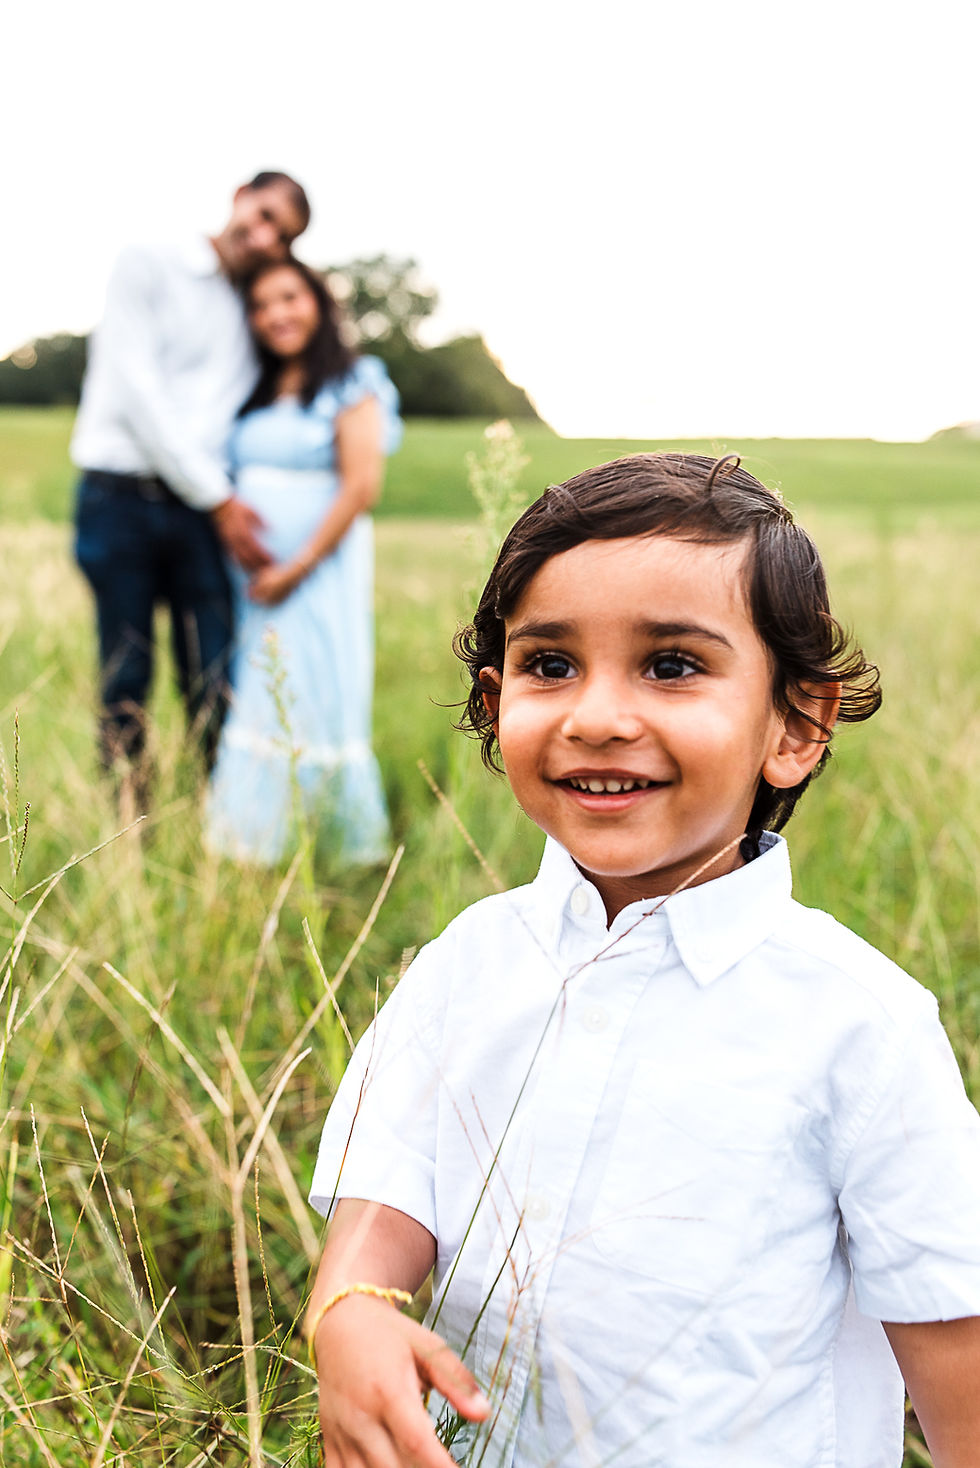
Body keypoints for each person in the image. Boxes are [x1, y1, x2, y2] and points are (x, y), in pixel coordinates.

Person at [305, 454, 980, 1468]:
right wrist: (348, 1311)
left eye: (669, 665)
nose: (595, 715)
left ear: (796, 723)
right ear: (494, 702)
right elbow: (383, 1198)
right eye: (548, 665)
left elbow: (952, 1342)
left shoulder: (856, 1022)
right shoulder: (466, 965)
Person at [72, 171, 311, 804]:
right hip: (120, 497)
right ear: (239, 196)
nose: (263, 235)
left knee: (214, 675)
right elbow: (136, 392)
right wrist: (220, 498)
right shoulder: (148, 263)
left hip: (202, 514)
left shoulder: (255, 308)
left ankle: (221, 817)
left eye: (281, 235)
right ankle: (128, 829)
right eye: (262, 214)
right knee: (126, 671)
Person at [204, 259, 401, 865]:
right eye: (261, 305)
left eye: (289, 297)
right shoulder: (251, 387)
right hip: (250, 576)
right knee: (258, 690)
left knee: (315, 684)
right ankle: (252, 843)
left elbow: (361, 486)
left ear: (318, 303)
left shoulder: (352, 380)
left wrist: (298, 566)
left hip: (319, 571)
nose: (276, 315)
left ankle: (332, 846)